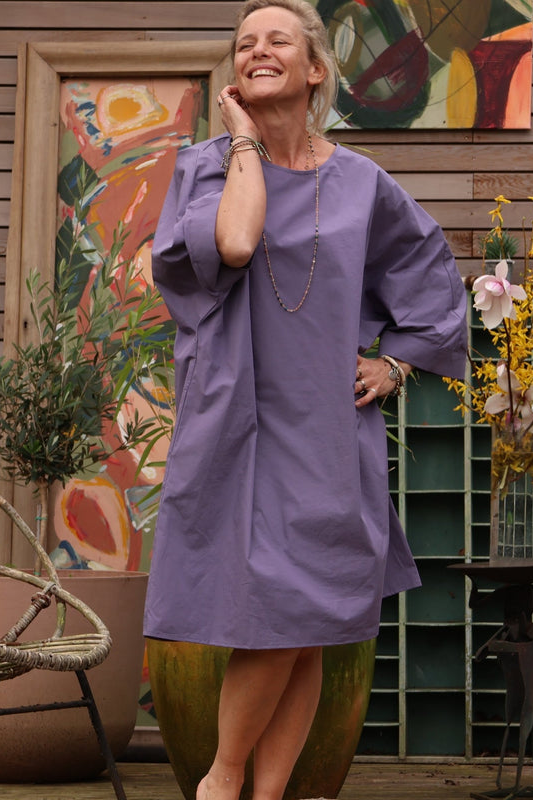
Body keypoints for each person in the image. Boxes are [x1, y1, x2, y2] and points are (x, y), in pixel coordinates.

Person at [143, 1, 467, 798]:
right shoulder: (207, 166)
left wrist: (396, 364)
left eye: (277, 40)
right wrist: (244, 139)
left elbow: (429, 276)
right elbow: (234, 243)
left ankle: (267, 795)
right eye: (244, 43)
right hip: (238, 417)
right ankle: (222, 781)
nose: (257, 51)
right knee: (272, 615)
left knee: (313, 620)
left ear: (315, 69)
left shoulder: (362, 183)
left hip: (328, 427)